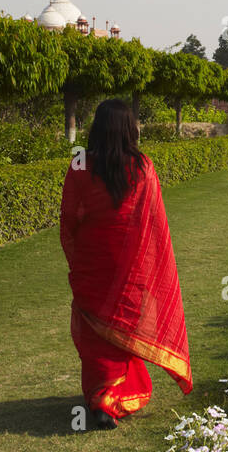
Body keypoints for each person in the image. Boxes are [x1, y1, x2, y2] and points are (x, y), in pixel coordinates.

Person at [59, 99, 191, 430]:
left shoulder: (79, 165)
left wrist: (78, 259)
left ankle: (100, 397)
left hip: (93, 262)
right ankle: (107, 400)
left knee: (96, 334)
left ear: (97, 129)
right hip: (130, 266)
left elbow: (69, 221)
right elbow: (154, 225)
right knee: (123, 326)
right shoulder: (143, 167)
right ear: (130, 129)